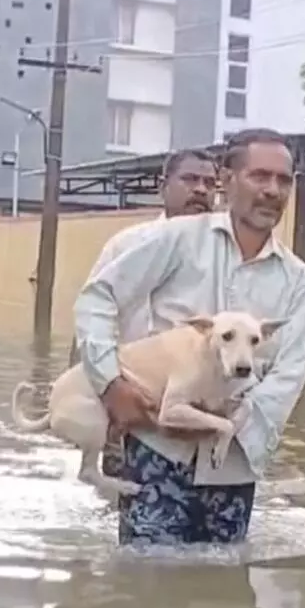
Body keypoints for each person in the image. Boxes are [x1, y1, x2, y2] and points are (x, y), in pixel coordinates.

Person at [74, 128, 305, 546]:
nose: (272, 190)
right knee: (144, 573)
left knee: (224, 579)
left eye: (283, 180)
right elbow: (98, 297)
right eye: (259, 176)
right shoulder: (178, 240)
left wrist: (226, 425)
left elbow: (289, 375)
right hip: (155, 448)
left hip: (234, 465)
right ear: (227, 179)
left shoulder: (299, 283)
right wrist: (110, 385)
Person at [71, 148, 220, 478]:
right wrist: (93, 389)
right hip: (122, 400)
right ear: (162, 186)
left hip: (185, 413)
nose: (201, 190)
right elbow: (92, 314)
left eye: (210, 183)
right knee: (117, 491)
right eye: (190, 179)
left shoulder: (219, 259)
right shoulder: (126, 245)